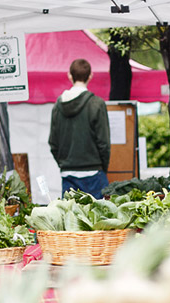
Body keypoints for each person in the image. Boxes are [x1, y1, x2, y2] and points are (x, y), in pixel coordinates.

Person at [48, 58, 110, 198]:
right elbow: (104, 143)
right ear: (90, 76)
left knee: (71, 217)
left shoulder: (58, 106)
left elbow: (53, 143)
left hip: (68, 173)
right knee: (97, 217)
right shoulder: (97, 104)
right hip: (94, 173)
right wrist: (102, 167)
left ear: (69, 75)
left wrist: (64, 164)